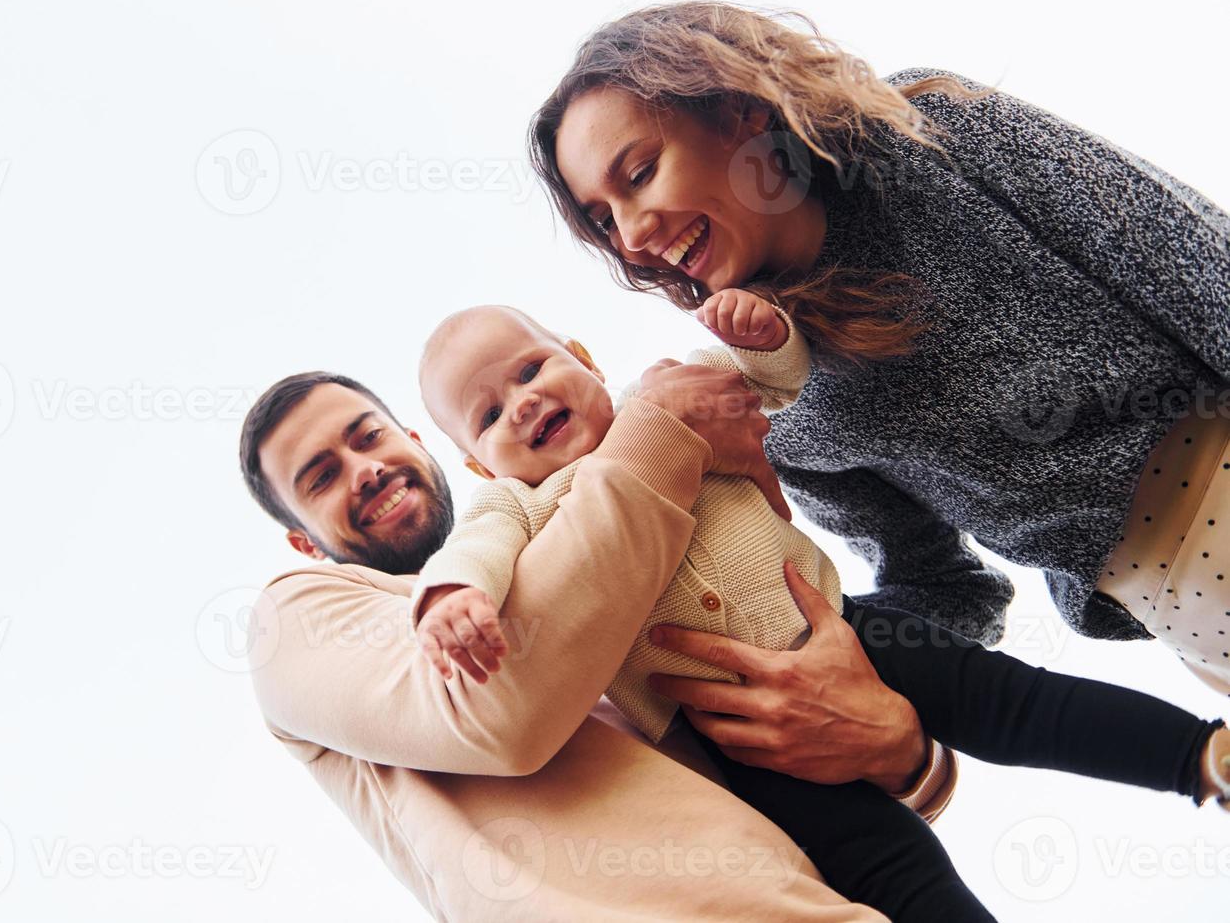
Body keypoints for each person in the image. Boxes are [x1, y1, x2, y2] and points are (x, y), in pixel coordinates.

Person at [409, 298, 1230, 920]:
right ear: (478, 465)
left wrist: (761, 332)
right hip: (730, 734)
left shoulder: (664, 402)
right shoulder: (518, 507)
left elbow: (766, 382)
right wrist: (454, 599)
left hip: (848, 626)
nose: (519, 403)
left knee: (1018, 701)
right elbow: (468, 555)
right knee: (886, 862)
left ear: (580, 358)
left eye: (529, 369)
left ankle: (1203, 755)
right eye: (487, 415)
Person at [527, 1, 1230, 698]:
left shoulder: (930, 133)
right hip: (1194, 621)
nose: (634, 235)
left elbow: (1198, 266)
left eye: (641, 173)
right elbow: (945, 588)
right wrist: (809, 649)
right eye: (604, 219)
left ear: (740, 113)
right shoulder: (775, 406)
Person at [238, 363, 939, 921]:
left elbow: (782, 773)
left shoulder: (588, 569)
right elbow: (498, 714)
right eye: (322, 477)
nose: (363, 470)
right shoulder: (292, 616)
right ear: (305, 542)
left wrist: (905, 755)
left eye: (367, 437)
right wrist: (660, 432)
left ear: (415, 443)